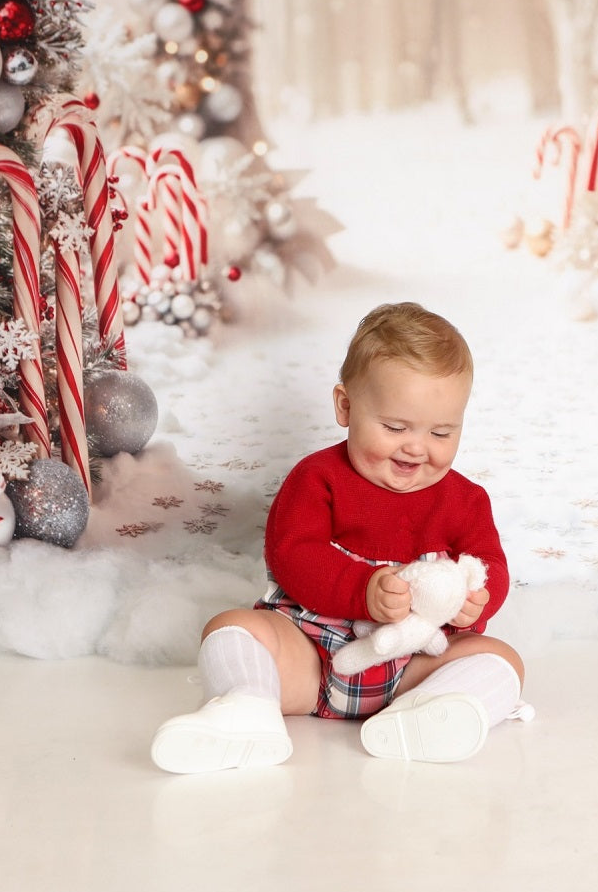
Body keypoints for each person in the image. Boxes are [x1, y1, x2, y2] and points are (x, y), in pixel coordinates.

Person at [150, 302, 531, 774]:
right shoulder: (317, 479)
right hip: (310, 656)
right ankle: (247, 708)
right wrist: (364, 590)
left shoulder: (466, 500)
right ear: (345, 406)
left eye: (441, 432)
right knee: (232, 627)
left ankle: (427, 712)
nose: (416, 447)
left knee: (502, 660)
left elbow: (489, 564)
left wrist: (478, 598)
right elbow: (292, 554)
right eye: (394, 427)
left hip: (413, 664)